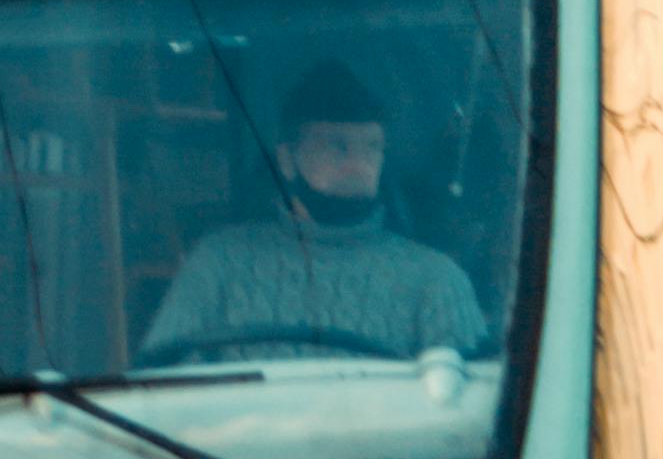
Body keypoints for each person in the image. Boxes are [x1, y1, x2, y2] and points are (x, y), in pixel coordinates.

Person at [144, 59, 486, 366]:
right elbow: (163, 387)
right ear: (287, 159)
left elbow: (466, 411)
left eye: (372, 148)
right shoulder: (218, 262)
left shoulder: (436, 280)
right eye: (338, 147)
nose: (358, 165)